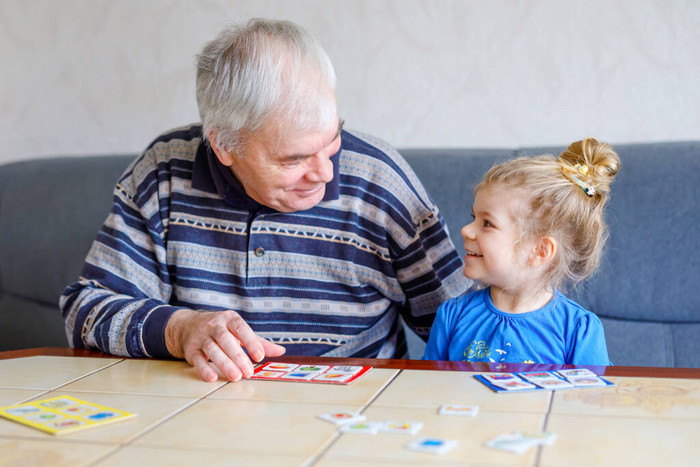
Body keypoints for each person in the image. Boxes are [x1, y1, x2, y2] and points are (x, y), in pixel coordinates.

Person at [60, 18, 468, 382]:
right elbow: (86, 310)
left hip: (350, 420)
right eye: (294, 158)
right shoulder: (163, 173)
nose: (325, 174)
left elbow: (465, 324)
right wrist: (181, 329)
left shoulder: (380, 181)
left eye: (332, 142)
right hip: (208, 416)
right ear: (224, 145)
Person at [423, 138, 620, 365]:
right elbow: (428, 389)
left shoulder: (577, 330)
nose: (466, 230)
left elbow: (590, 398)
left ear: (539, 251)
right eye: (472, 217)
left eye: (487, 223)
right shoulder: (452, 317)